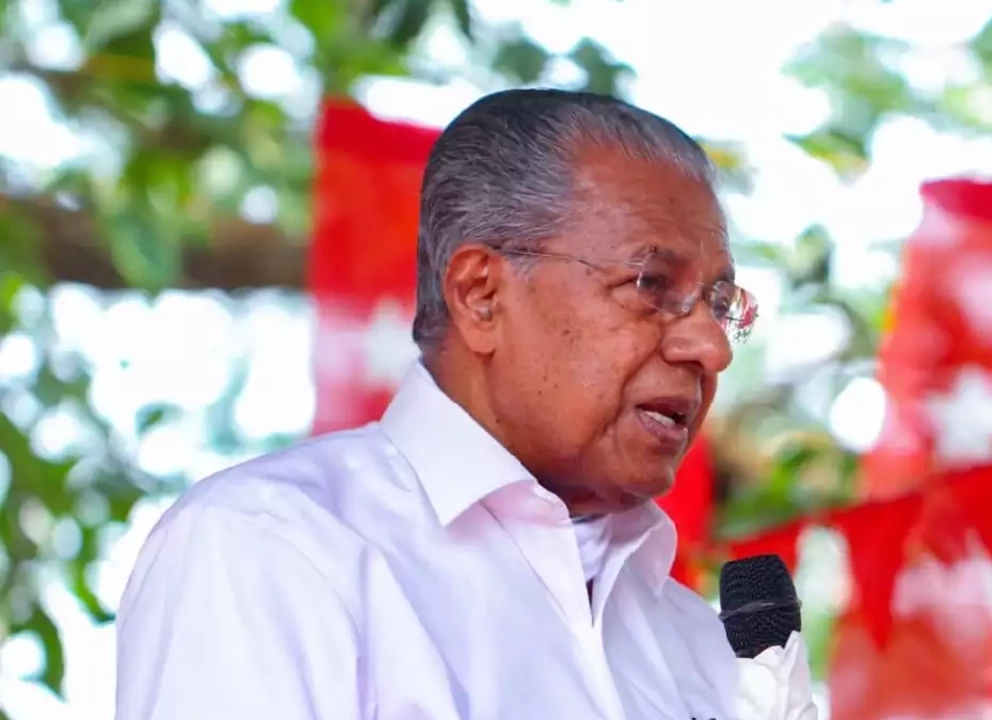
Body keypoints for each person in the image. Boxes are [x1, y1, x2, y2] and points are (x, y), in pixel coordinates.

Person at [114, 88, 759, 720]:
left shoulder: (701, 649)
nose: (711, 347)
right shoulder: (275, 547)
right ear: (481, 296)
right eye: (651, 285)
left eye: (720, 305)